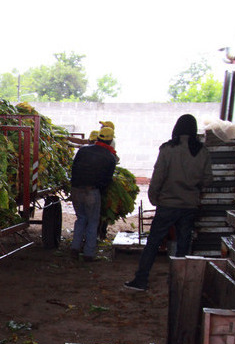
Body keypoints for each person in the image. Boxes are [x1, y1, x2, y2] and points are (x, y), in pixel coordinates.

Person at [124, 114, 212, 291]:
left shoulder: (167, 149)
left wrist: (154, 197)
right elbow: (208, 180)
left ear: (177, 129)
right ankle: (179, 283)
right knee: (183, 245)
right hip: (189, 206)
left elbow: (158, 176)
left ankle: (141, 280)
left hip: (167, 204)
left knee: (153, 243)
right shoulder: (202, 151)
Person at [68, 126, 117, 261]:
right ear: (110, 140)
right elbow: (107, 180)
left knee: (81, 219)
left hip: (76, 189)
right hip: (92, 192)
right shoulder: (110, 157)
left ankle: (75, 248)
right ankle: (89, 254)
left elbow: (74, 168)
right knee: (92, 222)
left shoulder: (83, 150)